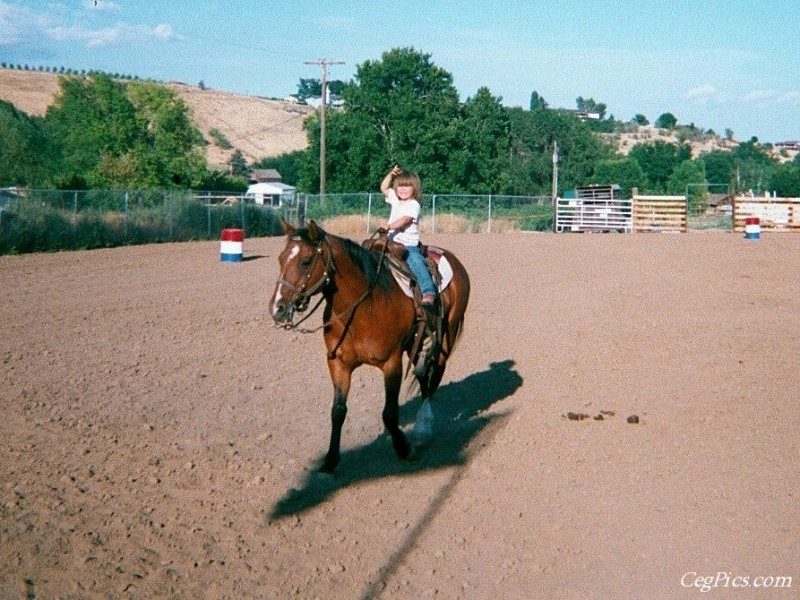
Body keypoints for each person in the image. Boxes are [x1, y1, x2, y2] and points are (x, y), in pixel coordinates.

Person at [380, 165, 437, 305]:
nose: (403, 189)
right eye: (400, 186)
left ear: (415, 189)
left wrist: (389, 226)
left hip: (407, 245)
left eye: (407, 186)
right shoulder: (395, 199)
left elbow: (405, 219)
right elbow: (383, 187)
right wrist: (391, 174)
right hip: (389, 242)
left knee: (416, 261)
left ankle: (428, 291)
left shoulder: (413, 204)